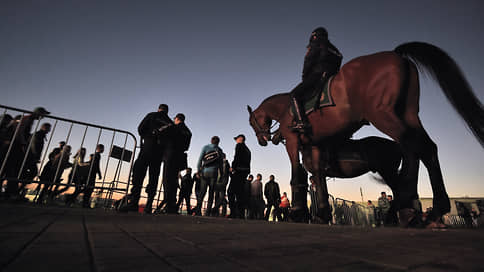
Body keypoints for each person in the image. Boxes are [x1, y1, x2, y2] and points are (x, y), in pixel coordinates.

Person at [121, 104, 174, 213]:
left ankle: (134, 202)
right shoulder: (170, 123)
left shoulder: (152, 115)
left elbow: (140, 129)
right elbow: (171, 141)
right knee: (154, 177)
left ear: (159, 109)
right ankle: (149, 205)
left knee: (138, 174)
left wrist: (148, 137)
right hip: (159, 153)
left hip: (147, 149)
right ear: (167, 111)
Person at [290, 27, 342, 134]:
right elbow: (340, 58)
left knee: (294, 95)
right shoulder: (334, 48)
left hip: (317, 75)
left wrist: (304, 78)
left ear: (314, 36)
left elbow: (308, 63)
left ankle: (302, 122)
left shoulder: (315, 44)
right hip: (332, 74)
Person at [2, 107, 50, 198]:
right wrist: (23, 144)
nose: (43, 117)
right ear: (38, 113)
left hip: (16, 146)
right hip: (15, 147)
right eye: (43, 115)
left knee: (11, 170)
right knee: (11, 170)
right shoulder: (28, 119)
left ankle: (11, 192)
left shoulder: (29, 119)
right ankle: (12, 193)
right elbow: (20, 132)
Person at [163, 113, 192, 213]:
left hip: (171, 155)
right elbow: (186, 147)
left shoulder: (174, 127)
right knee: (174, 180)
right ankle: (172, 204)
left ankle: (169, 204)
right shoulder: (188, 131)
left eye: (174, 118)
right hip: (180, 157)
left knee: (167, 180)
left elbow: (166, 139)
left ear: (177, 119)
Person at [196, 136, 223, 216]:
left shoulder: (205, 147)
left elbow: (200, 160)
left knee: (202, 192)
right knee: (211, 193)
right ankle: (207, 212)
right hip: (214, 173)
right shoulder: (220, 150)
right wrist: (220, 175)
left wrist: (198, 170)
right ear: (218, 142)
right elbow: (221, 165)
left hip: (205, 172)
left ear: (211, 141)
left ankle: (198, 211)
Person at [228, 134, 251, 219]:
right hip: (244, 172)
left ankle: (233, 212)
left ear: (241, 139)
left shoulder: (239, 146)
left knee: (230, 192)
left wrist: (232, 168)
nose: (236, 141)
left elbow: (236, 157)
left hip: (238, 171)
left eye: (237, 139)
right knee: (240, 193)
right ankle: (241, 214)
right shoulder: (248, 150)